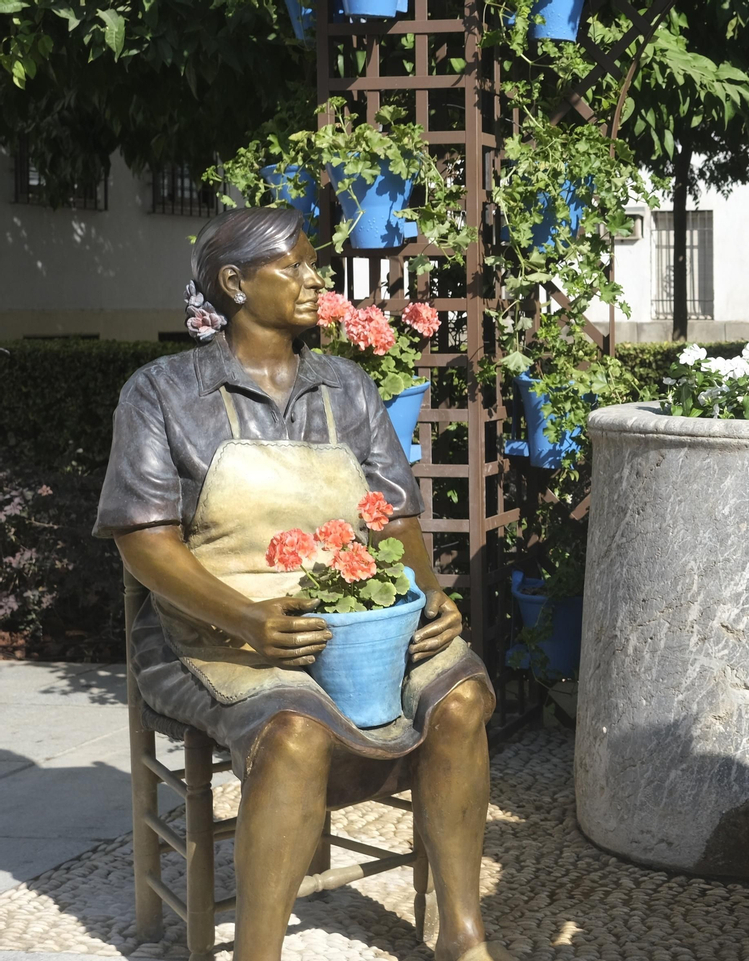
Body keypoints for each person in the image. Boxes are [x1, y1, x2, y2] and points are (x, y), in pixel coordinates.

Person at [96, 207, 513, 961]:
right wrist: (249, 618)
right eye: (292, 265)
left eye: (311, 263)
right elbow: (144, 543)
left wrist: (430, 593)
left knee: (461, 696)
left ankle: (463, 934)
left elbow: (392, 515)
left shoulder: (346, 388)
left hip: (357, 615)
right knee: (294, 727)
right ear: (234, 282)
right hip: (212, 629)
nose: (315, 278)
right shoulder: (160, 392)